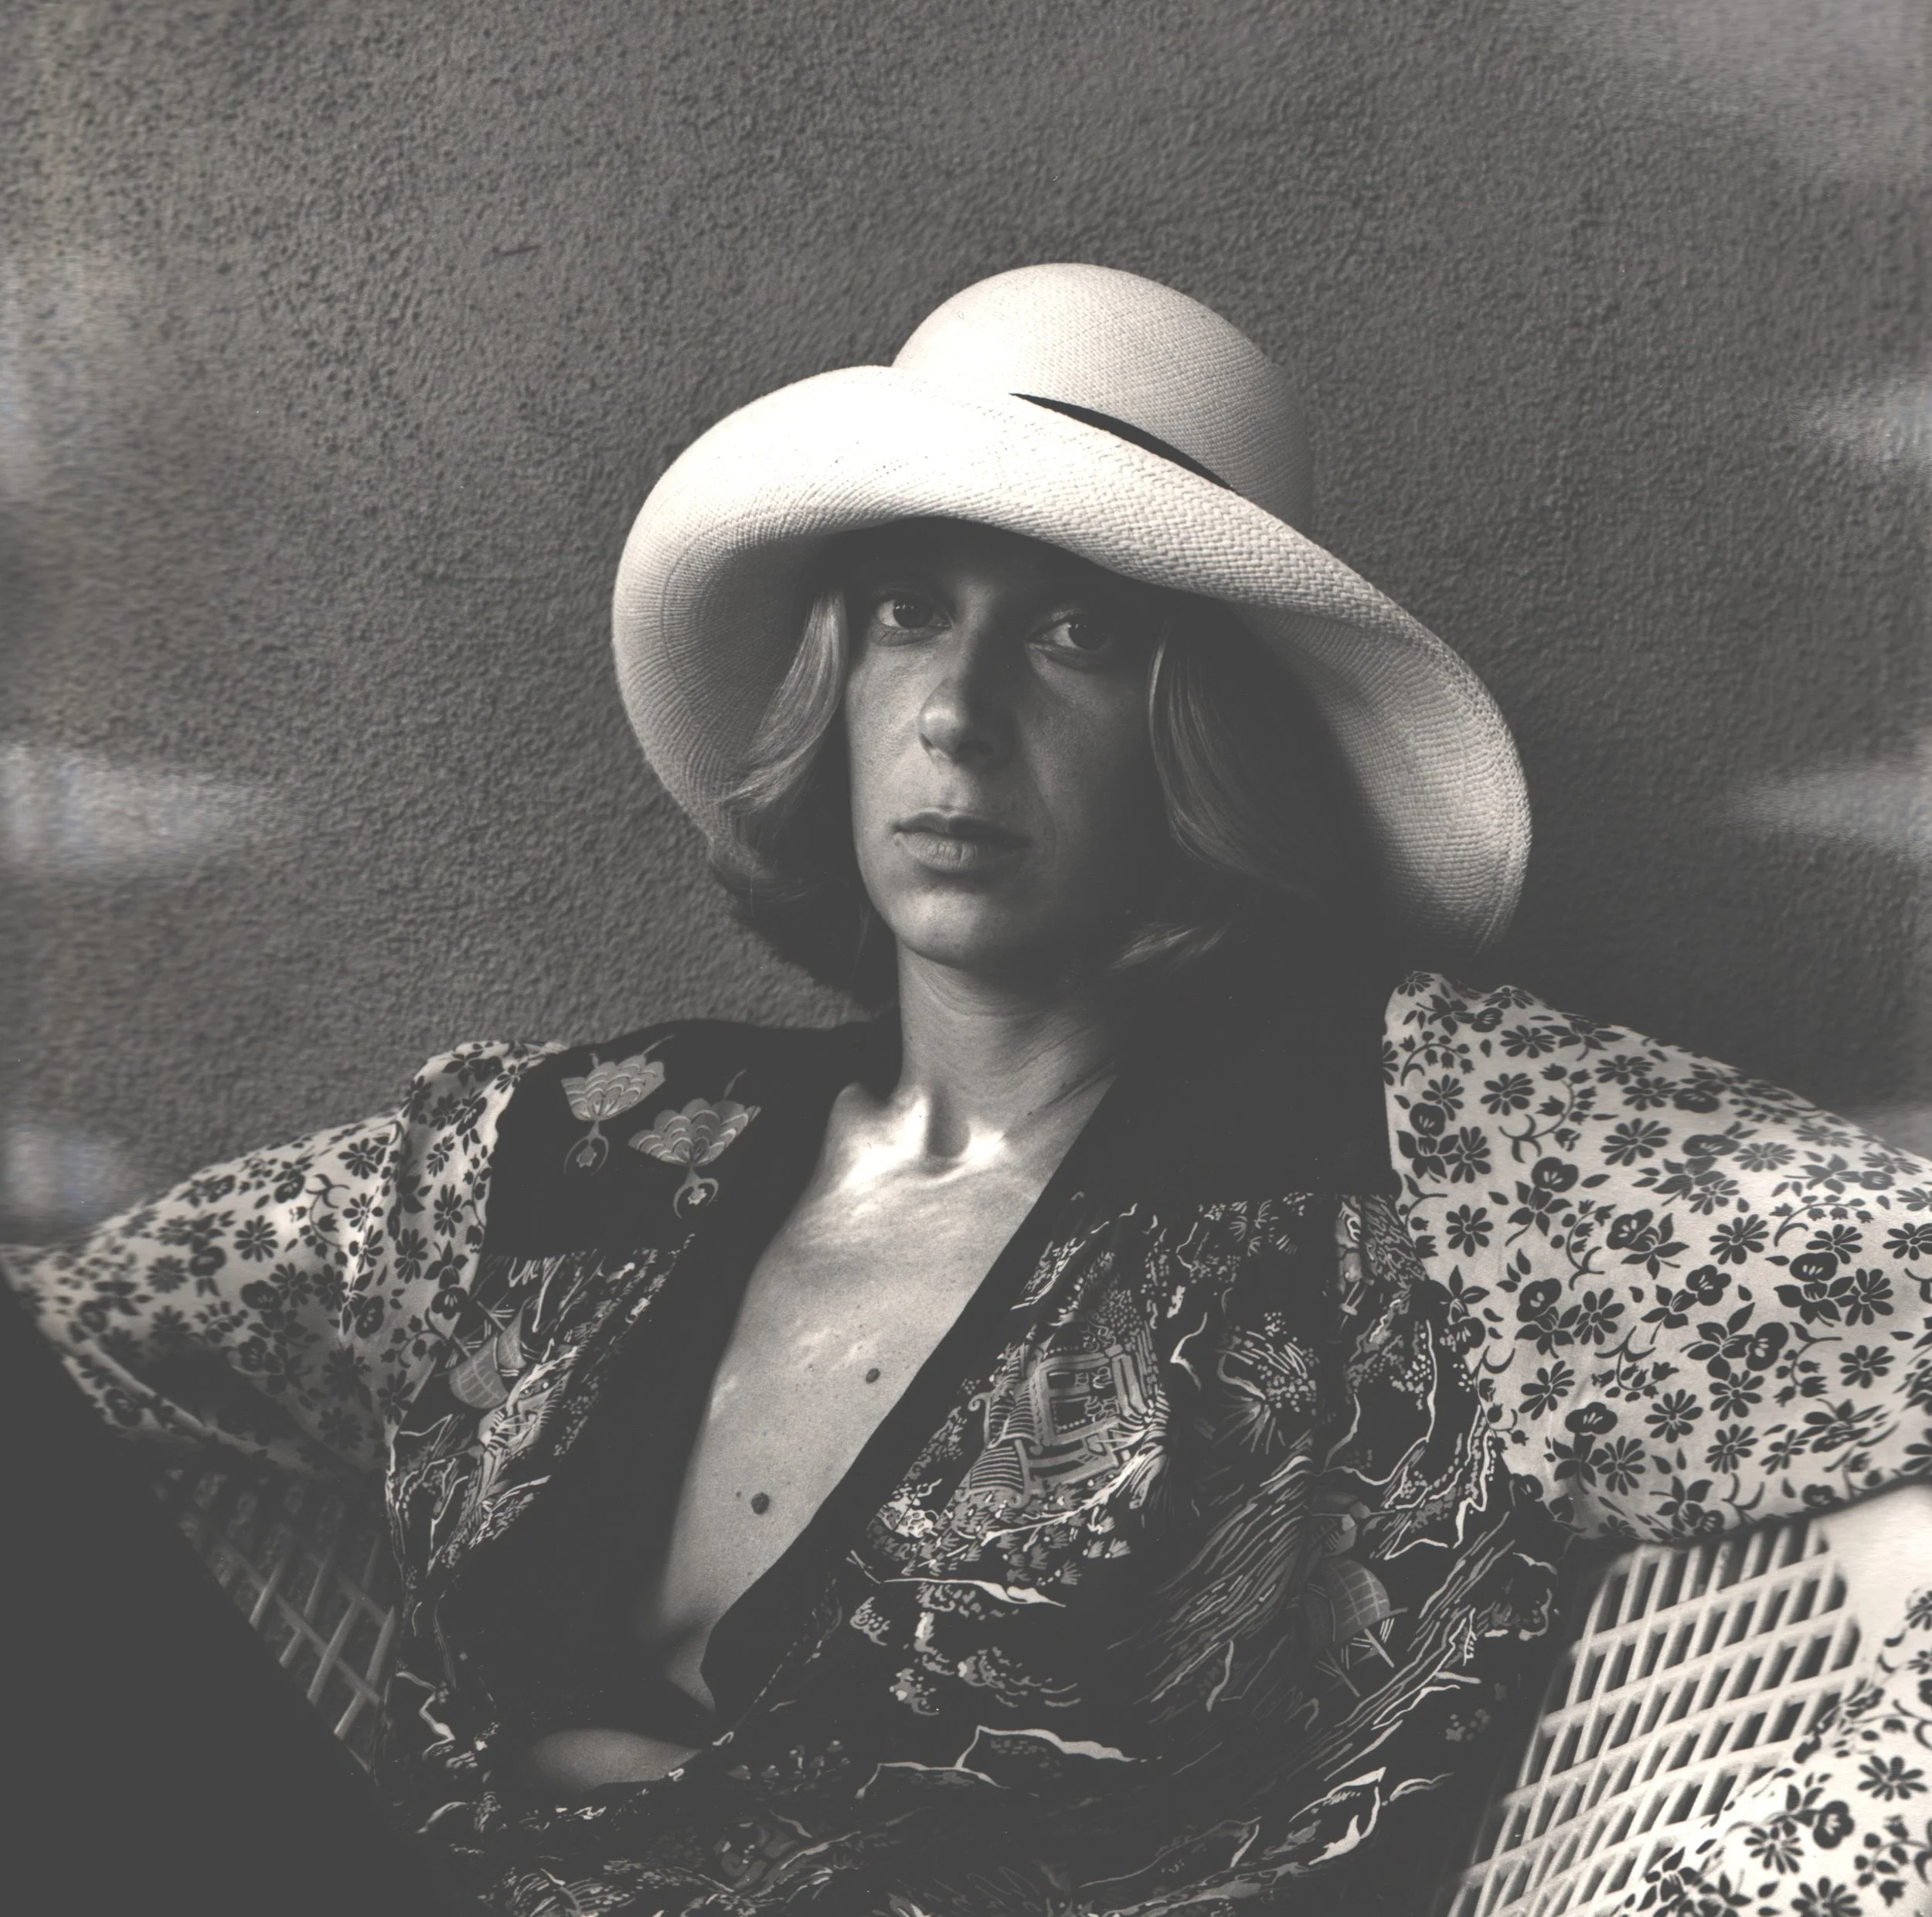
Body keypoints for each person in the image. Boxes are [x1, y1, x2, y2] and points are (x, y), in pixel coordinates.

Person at [6, 264, 1931, 1917]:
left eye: (1077, 630)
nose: (955, 711)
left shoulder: (1427, 1142)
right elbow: (75, 1355)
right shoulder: (568, 1154)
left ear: (1210, 726)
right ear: (831, 683)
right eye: (907, 612)